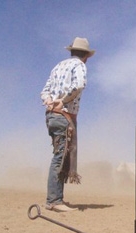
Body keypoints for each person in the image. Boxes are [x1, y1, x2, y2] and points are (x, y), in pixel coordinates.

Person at [40, 37, 95, 212]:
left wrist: (49, 101)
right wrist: (62, 101)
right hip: (64, 116)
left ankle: (56, 199)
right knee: (60, 157)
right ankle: (54, 201)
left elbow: (44, 91)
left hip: (52, 116)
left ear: (71, 51)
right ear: (86, 55)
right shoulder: (79, 66)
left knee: (61, 156)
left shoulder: (58, 66)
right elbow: (79, 84)